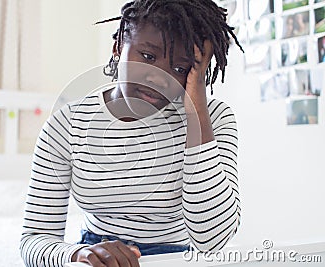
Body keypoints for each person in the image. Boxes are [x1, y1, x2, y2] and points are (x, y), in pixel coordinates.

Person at [20, 1, 243, 266]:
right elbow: (33, 240)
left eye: (180, 68)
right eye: (148, 56)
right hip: (94, 260)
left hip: (176, 259)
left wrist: (196, 116)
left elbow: (212, 241)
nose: (159, 77)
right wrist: (77, 254)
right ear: (118, 47)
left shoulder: (214, 119)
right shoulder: (68, 124)